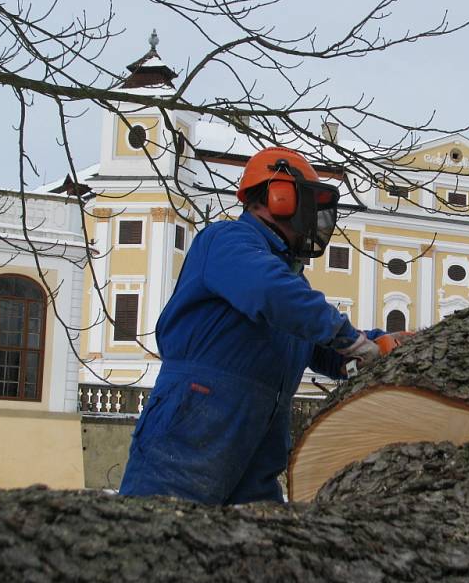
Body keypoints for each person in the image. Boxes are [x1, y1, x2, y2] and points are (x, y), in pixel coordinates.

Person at [119, 146, 386, 505]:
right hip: (199, 412)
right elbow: (270, 292)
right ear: (280, 197)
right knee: (160, 525)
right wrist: (349, 339)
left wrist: (377, 348)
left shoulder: (291, 285)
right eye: (309, 205)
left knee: (256, 541)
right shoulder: (228, 242)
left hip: (263, 428)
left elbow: (318, 345)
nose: (314, 219)